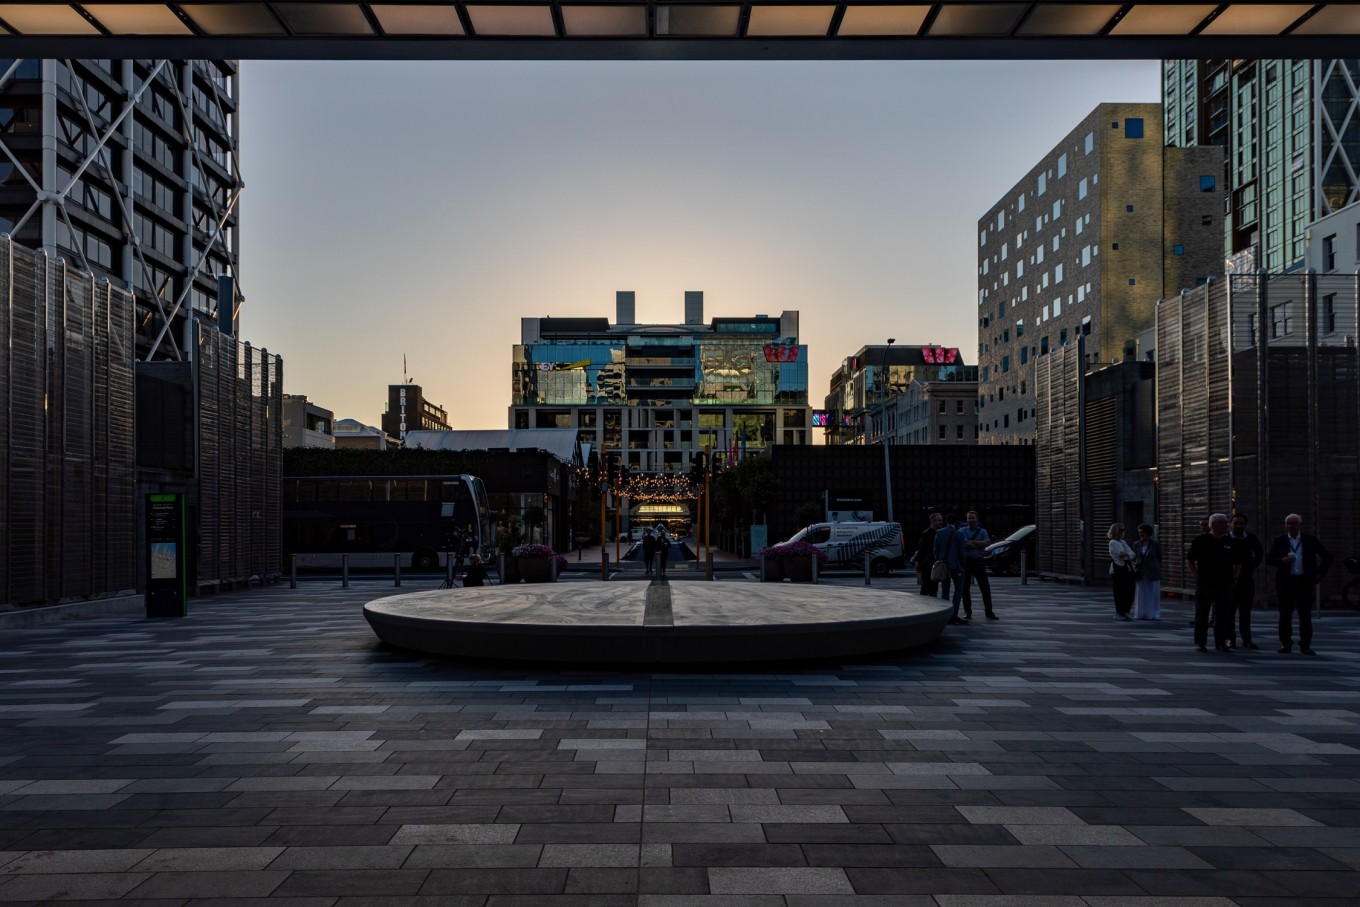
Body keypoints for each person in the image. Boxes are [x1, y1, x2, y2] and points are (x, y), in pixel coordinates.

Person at [1265, 513, 1333, 656]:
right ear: (1285, 525)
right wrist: (1281, 561)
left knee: (1305, 615)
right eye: (1288, 523)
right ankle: (1286, 643)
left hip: (1304, 581)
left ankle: (1305, 645)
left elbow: (1328, 556)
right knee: (1285, 615)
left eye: (1294, 523)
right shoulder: (1280, 540)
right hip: (1286, 582)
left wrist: (1319, 573)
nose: (1291, 526)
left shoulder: (1310, 540)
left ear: (1300, 525)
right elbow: (1270, 559)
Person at [1186, 513, 1242, 652]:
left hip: (1225, 582)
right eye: (1222, 523)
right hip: (1205, 581)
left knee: (1223, 613)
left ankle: (1221, 642)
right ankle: (1200, 641)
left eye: (1226, 522)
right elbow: (1190, 559)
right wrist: (1195, 574)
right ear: (1213, 525)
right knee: (1202, 613)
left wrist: (1235, 576)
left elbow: (1239, 562)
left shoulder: (1230, 542)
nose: (1226, 525)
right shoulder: (1201, 540)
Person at [1228, 513, 1264, 649]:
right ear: (1231, 524)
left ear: (1245, 525)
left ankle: (1246, 639)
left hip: (1246, 579)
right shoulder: (1227, 539)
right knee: (1229, 611)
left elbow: (1259, 554)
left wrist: (1251, 566)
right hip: (1229, 580)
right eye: (1236, 523)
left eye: (1241, 523)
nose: (1238, 526)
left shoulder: (1250, 538)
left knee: (1245, 611)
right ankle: (1230, 638)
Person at [959, 510, 997, 621]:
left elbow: (987, 543)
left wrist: (972, 542)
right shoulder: (961, 531)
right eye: (969, 518)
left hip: (979, 561)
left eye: (973, 518)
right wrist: (979, 542)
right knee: (965, 588)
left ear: (977, 519)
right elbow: (964, 544)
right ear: (966, 520)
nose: (971, 520)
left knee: (985, 587)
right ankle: (968, 611)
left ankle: (989, 612)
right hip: (966, 562)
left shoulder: (983, 531)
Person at [934, 513, 966, 622]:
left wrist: (940, 560)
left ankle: (945, 614)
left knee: (945, 590)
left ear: (946, 521)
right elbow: (962, 552)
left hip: (944, 565)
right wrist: (962, 564)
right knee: (958, 589)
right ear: (955, 522)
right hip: (956, 566)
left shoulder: (939, 532)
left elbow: (936, 551)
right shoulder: (959, 534)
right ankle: (954, 614)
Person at [1132, 524, 1162, 621]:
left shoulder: (1155, 544)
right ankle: (1141, 613)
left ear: (1148, 533)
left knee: (1153, 592)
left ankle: (1153, 613)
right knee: (1141, 592)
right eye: (1139, 532)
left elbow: (1159, 557)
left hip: (1152, 570)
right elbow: (1136, 557)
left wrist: (1156, 567)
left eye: (1143, 532)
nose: (1141, 534)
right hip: (1141, 571)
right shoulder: (1136, 544)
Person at [1107, 523, 1136, 621]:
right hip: (1117, 569)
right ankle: (1119, 612)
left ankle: (1126, 611)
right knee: (1119, 591)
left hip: (1126, 569)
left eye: (1122, 531)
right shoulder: (1112, 543)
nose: (1121, 533)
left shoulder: (1123, 542)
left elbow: (1132, 554)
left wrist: (1127, 555)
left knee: (1129, 591)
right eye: (1120, 531)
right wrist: (1127, 555)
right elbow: (1121, 555)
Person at [916, 513, 944, 597]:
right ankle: (923, 605)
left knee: (933, 587)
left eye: (941, 520)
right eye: (938, 520)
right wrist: (918, 562)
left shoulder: (940, 533)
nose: (941, 522)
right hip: (927, 563)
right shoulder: (926, 533)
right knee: (926, 585)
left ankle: (932, 605)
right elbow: (921, 549)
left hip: (936, 563)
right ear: (932, 521)